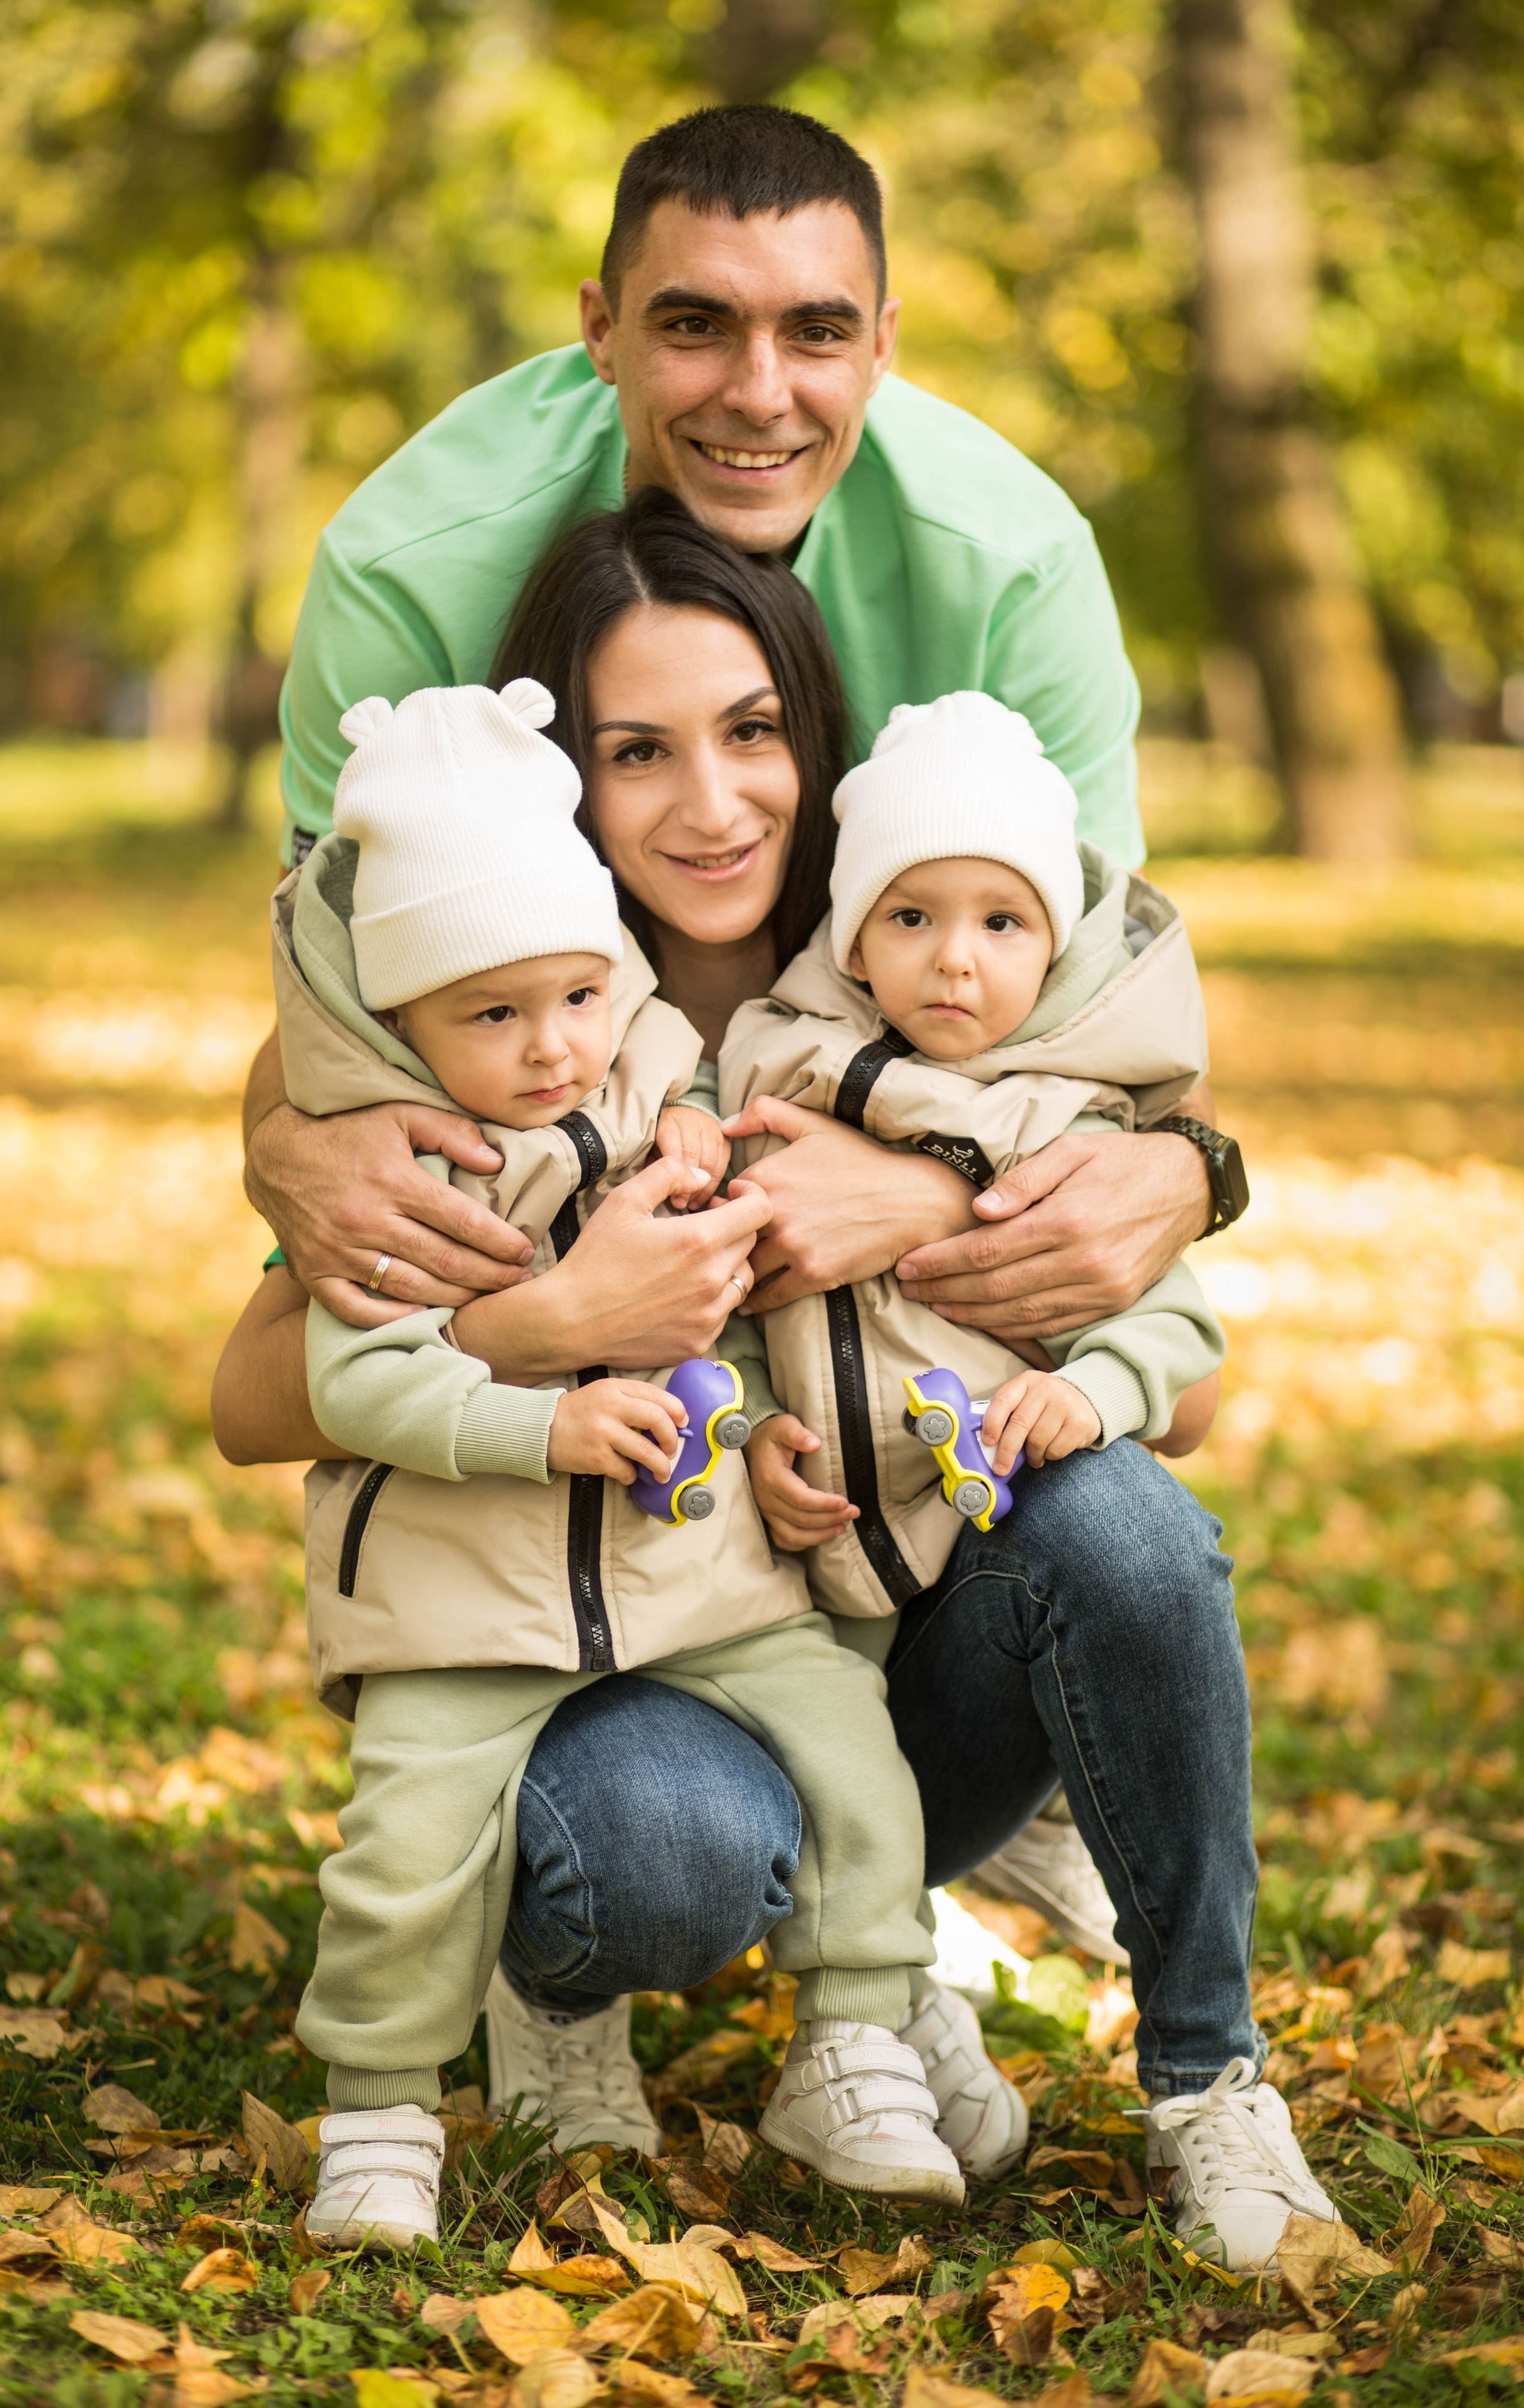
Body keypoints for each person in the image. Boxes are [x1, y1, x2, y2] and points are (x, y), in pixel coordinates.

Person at [218, 490, 1341, 2271]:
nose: (713, 798)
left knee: (1130, 1532)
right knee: (650, 1855)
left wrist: (938, 1201)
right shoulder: (498, 1018)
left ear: (816, 748)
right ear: (562, 785)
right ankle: (566, 1969)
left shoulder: (940, 969)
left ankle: (1197, 2083)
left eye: (752, 734)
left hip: (890, 1640)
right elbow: (251, 1398)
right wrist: (564, 1316)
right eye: (636, 749)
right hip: (622, 1663)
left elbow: (1181, 1396)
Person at [243, 97, 1229, 1972]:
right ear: (598, 324)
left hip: (865, 1458)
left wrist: (1098, 1180)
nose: (759, 390)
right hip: (590, 1529)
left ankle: (953, 1826)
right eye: (695, 323)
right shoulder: (415, 566)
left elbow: (1099, 1073)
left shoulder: (1010, 564)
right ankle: (580, 1820)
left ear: (886, 335)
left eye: (818, 331)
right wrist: (313, 1173)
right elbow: (333, 1054)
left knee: (1120, 1520)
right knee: (660, 1861)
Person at [722, 689, 1226, 1617]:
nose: (956, 958)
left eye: (1001, 923)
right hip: (805, 1589)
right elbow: (727, 1299)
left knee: (1132, 1534)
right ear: (856, 947)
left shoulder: (1065, 1121)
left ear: (1052, 953)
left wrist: (1093, 1391)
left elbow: (1176, 1328)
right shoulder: (771, 1076)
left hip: (986, 1550)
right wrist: (753, 1424)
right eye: (912, 917)